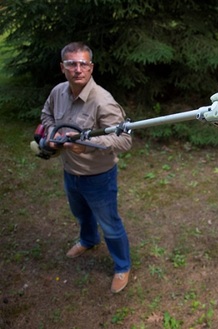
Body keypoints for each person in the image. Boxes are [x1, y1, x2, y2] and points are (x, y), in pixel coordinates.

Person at [41, 42, 133, 293]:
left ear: (91, 68)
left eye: (83, 64)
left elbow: (125, 140)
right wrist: (53, 134)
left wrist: (88, 144)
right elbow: (47, 115)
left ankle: (122, 267)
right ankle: (88, 240)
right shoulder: (58, 92)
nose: (77, 69)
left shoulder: (103, 101)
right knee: (81, 214)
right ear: (63, 67)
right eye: (71, 63)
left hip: (99, 177)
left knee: (111, 225)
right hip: (70, 172)